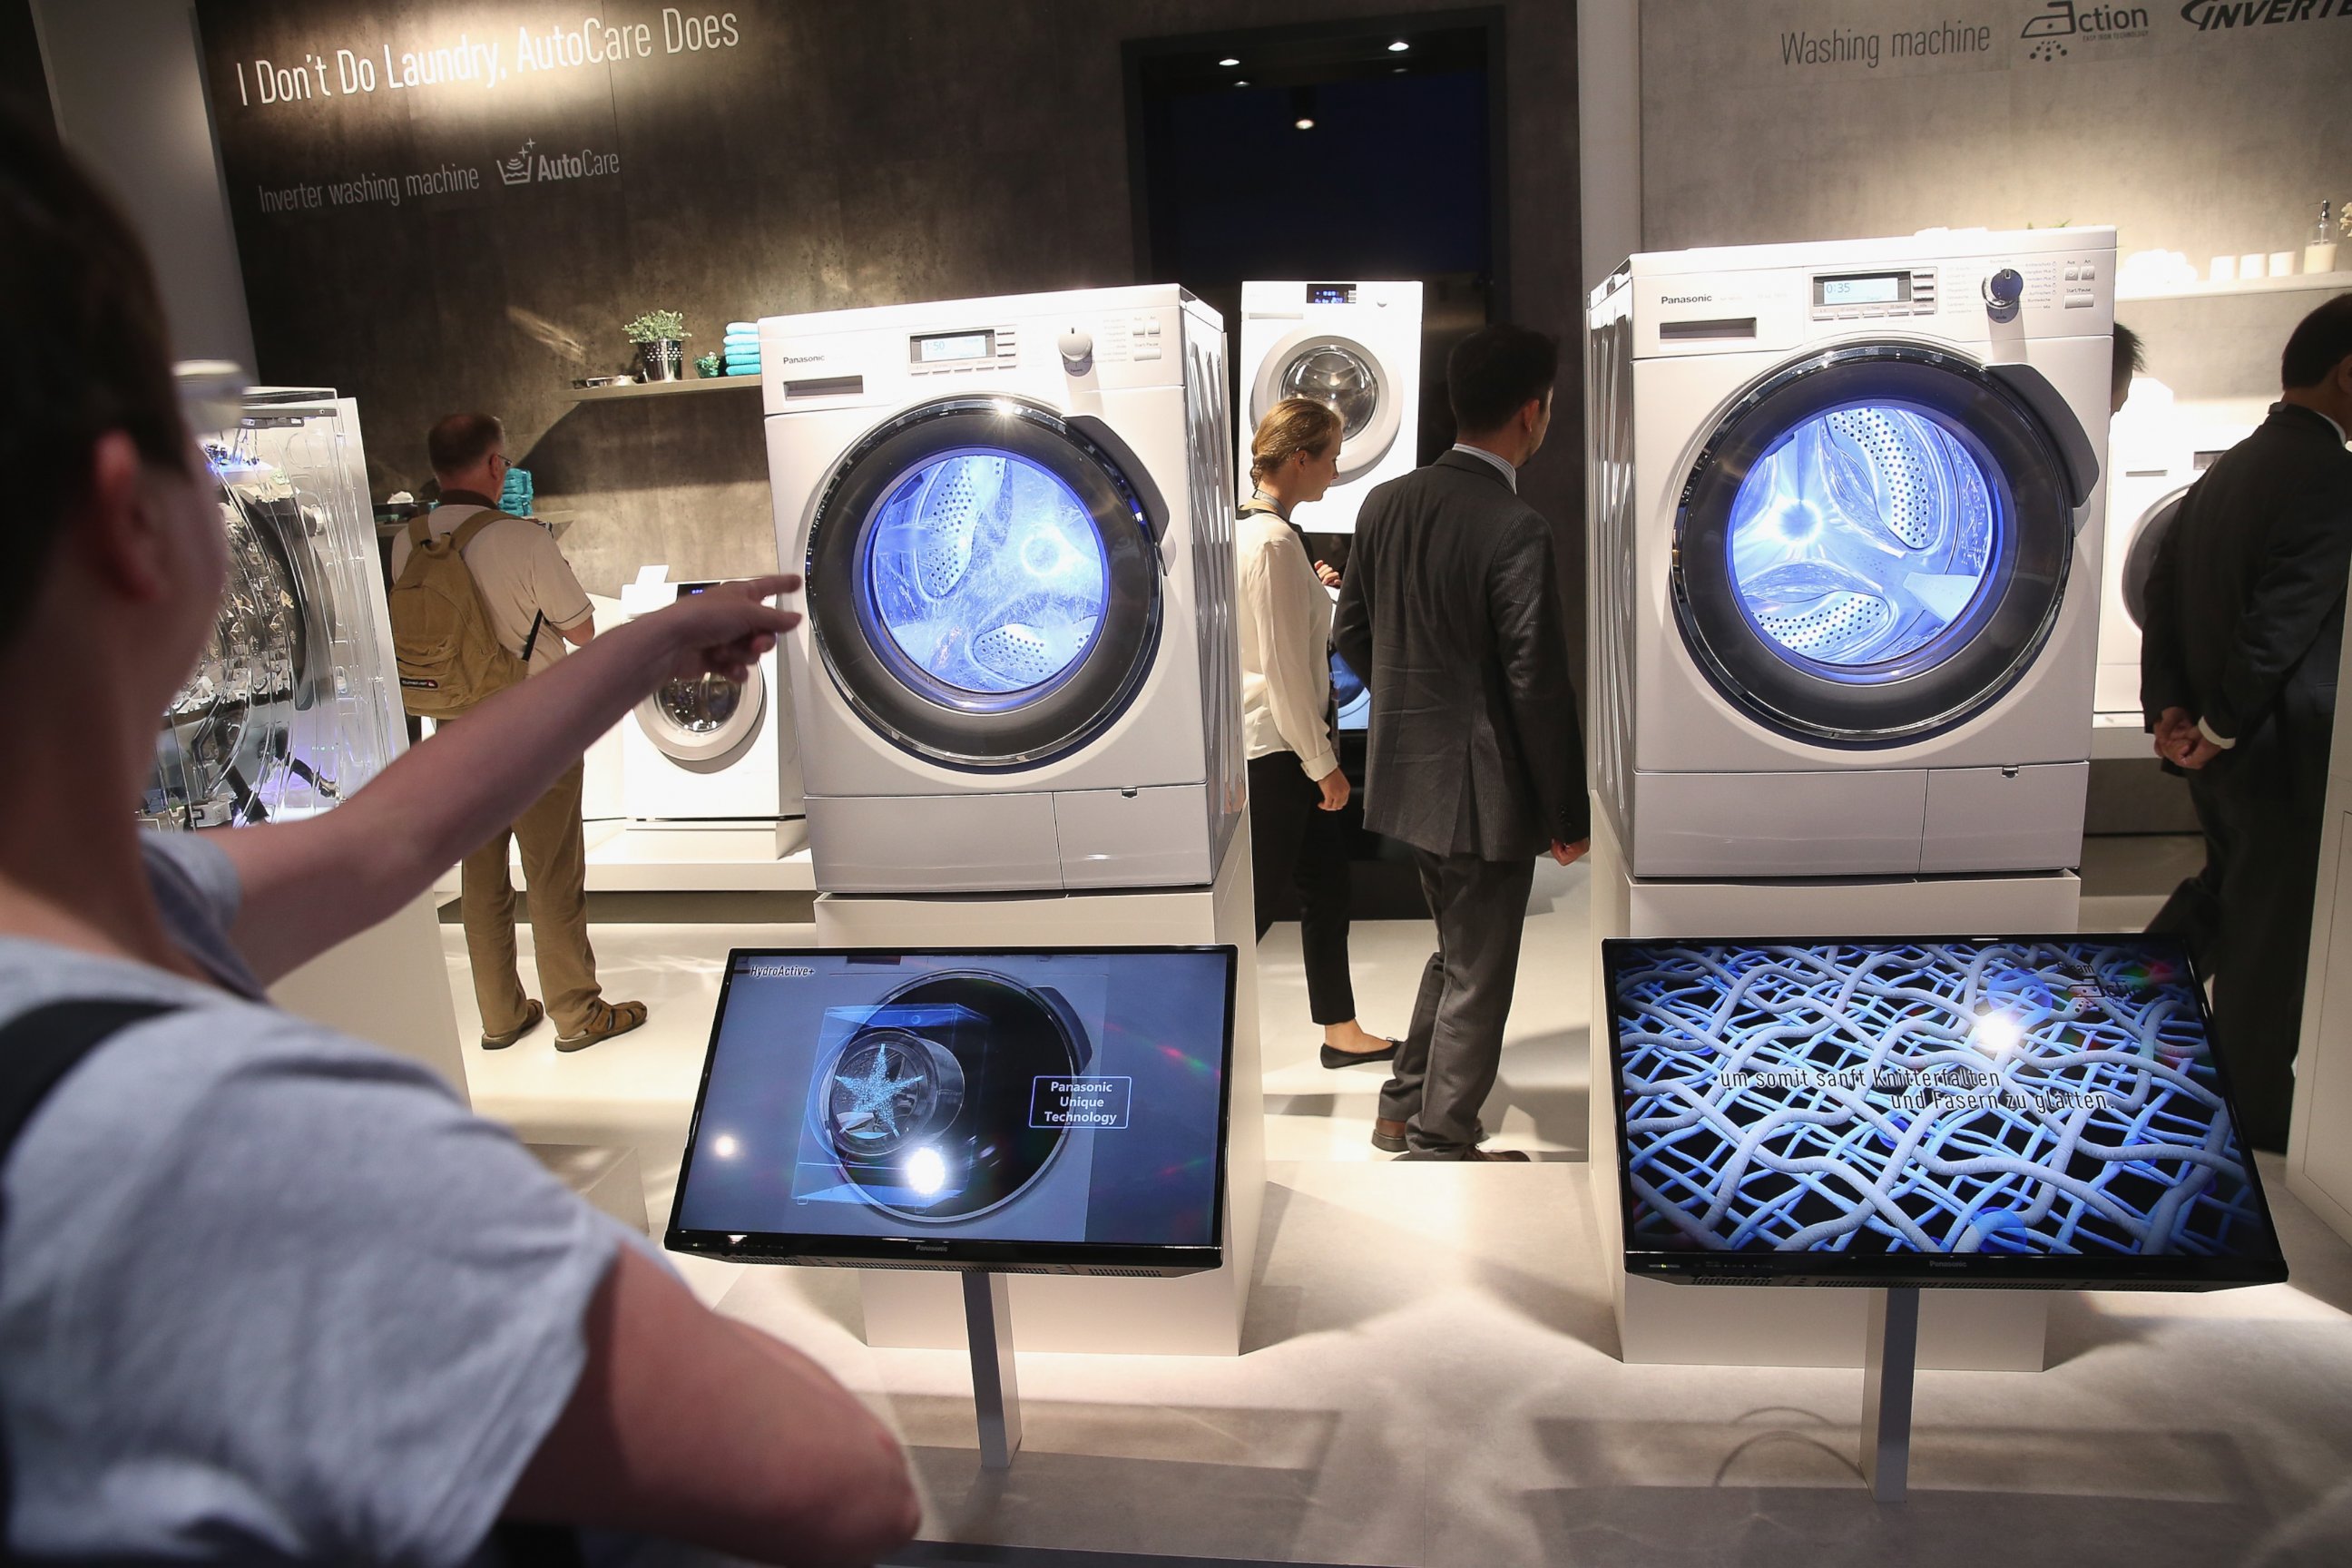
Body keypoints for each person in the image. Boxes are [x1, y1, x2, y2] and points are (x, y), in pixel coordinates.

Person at [0, 119, 916, 1560]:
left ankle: (511, 1004)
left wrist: (664, 639)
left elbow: (379, 845)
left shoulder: (86, 918)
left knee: (488, 890)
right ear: (134, 518)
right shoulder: (231, 1144)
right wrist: (519, 1248)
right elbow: (843, 1480)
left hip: (452, 715)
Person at [1332, 325, 1591, 1161]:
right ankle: (1444, 1132)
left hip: (1409, 778)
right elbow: (1536, 684)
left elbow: (1353, 631)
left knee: (1455, 952)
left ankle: (1400, 1106)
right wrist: (1566, 807)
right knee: (1479, 967)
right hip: (1484, 789)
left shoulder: (1385, 503)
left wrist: (1413, 704)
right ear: (1532, 413)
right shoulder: (1516, 525)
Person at [2140, 293, 2352, 1153]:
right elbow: (2286, 616)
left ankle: (2108, 1005)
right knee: (2272, 936)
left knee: (2226, 902)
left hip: (2226, 750)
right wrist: (2218, 723)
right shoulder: (2329, 473)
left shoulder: (2228, 468)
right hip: (2276, 749)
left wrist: (2174, 713)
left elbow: (2160, 592)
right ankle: (2258, 1117)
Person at [388, 415, 642, 1054]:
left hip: (451, 731)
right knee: (551, 874)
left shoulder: (408, 540)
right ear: (497, 465)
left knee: (481, 877)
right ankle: (577, 1014)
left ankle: (501, 1016)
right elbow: (581, 629)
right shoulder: (520, 538)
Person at [1238, 397, 1397, 1070]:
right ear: (1299, 459)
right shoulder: (1273, 542)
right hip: (1280, 753)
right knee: (1251, 910)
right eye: (1330, 456)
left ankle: (1340, 1028)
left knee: (1325, 890)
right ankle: (1184, 1026)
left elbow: (1272, 637)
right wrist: (1323, 762)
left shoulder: (1257, 533)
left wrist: (1314, 590)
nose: (1335, 469)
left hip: (1280, 748)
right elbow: (1283, 674)